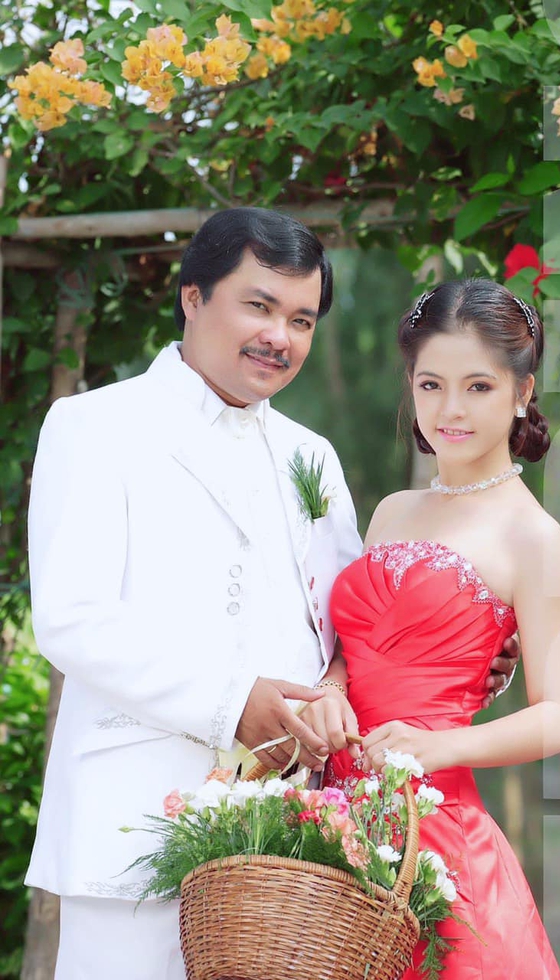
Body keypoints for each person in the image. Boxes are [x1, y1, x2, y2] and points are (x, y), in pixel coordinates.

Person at [25, 209, 518, 980]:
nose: (279, 337)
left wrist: (462, 655)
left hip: (292, 845)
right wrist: (234, 704)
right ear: (193, 297)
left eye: (301, 319)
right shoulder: (96, 426)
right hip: (133, 822)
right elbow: (72, 620)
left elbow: (353, 632)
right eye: (258, 306)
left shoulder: (310, 455)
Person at [323, 279, 560, 979]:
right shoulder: (392, 510)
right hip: (332, 822)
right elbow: (355, 649)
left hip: (435, 832)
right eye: (431, 385)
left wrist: (439, 746)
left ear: (522, 392)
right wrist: (331, 687)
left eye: (479, 387)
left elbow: (559, 717)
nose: (451, 410)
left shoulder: (533, 536)